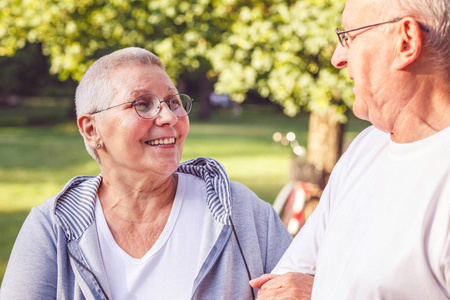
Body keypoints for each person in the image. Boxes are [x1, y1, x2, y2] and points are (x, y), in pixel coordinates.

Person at [0, 47, 292, 300]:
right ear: (92, 130)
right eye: (142, 104)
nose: (169, 117)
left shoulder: (241, 212)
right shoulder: (53, 227)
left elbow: (313, 287)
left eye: (173, 102)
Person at [250, 0, 450, 298]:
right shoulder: (367, 147)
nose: (337, 57)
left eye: (349, 37)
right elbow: (287, 282)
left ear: (406, 41)